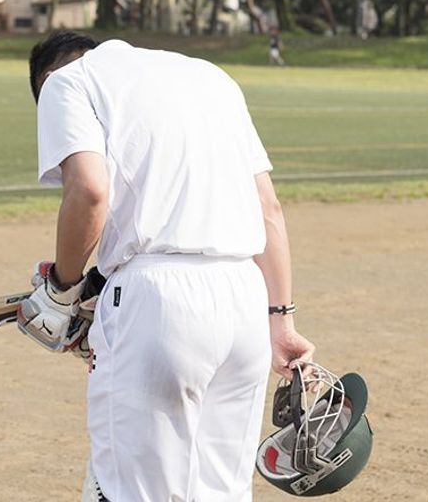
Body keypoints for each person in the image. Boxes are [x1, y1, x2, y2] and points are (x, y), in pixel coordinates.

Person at [17, 31, 315, 502]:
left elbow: (90, 191)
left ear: (48, 78)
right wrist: (281, 323)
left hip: (158, 301)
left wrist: (60, 291)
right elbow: (268, 209)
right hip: (245, 301)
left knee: (133, 491)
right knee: (222, 492)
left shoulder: (66, 82)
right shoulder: (212, 77)